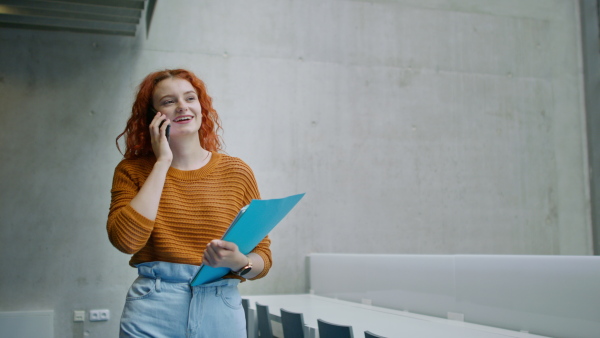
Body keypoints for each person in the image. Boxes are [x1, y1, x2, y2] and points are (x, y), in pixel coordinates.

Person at [107, 69, 271, 337]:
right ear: (153, 117)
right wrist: (162, 163)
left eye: (190, 98)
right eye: (168, 101)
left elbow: (263, 258)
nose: (182, 106)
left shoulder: (237, 171)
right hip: (153, 308)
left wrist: (239, 261)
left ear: (201, 107)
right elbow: (126, 242)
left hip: (221, 308)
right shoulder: (132, 171)